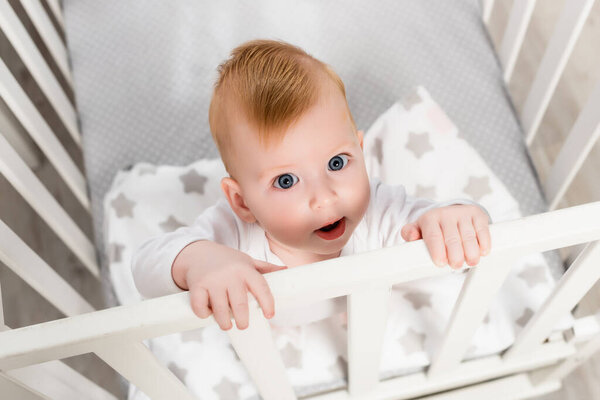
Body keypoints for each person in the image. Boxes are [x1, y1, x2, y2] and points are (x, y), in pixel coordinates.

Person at [131, 39, 492, 332]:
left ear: (361, 151)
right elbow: (144, 267)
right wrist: (199, 260)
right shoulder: (232, 233)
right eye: (285, 181)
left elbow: (442, 229)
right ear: (243, 203)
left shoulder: (380, 210)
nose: (324, 198)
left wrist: (455, 216)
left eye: (337, 163)